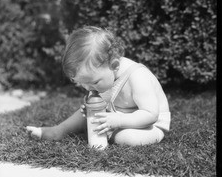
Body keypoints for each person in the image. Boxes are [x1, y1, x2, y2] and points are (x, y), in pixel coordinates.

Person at [26, 26, 171, 146]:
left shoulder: (137, 76)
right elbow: (107, 102)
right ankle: (58, 131)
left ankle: (110, 133)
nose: (89, 89)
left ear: (114, 65)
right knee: (84, 115)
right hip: (117, 116)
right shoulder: (102, 78)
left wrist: (118, 120)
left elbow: (150, 114)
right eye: (82, 84)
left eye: (94, 82)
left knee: (127, 138)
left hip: (150, 126)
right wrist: (91, 110)